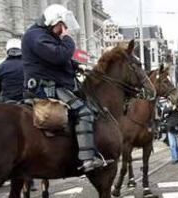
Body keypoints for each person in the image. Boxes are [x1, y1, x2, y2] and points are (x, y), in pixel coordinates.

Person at [21, 4, 113, 172]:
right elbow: (58, 56)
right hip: (46, 86)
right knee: (84, 112)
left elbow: (58, 59)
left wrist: (77, 66)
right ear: (53, 21)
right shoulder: (36, 36)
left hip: (54, 82)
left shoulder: (44, 34)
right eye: (61, 26)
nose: (63, 29)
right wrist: (67, 38)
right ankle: (87, 159)